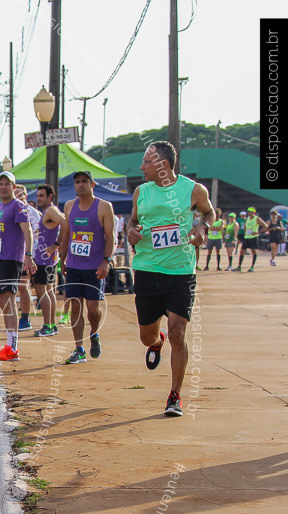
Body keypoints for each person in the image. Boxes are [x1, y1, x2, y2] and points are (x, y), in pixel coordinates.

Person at [127, 141, 214, 417]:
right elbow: (132, 221)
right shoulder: (141, 192)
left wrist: (203, 227)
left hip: (180, 272)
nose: (141, 167)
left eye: (146, 162)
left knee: (178, 330)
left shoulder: (193, 190)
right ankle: (156, 342)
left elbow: (209, 212)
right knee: (146, 336)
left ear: (162, 165)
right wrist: (131, 231)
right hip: (147, 271)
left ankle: (175, 395)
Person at [57, 171, 115, 364]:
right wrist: (62, 259)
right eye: (77, 182)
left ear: (92, 184)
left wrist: (106, 260)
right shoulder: (69, 206)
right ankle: (79, 349)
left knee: (92, 309)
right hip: (74, 265)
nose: (80, 185)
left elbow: (110, 236)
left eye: (84, 182)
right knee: (75, 307)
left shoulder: (104, 207)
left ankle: (94, 333)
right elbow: (66, 234)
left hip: (94, 267)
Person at [0, 172, 36, 361]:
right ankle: (9, 344)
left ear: (14, 187)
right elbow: (0, 235)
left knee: (8, 300)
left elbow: (28, 230)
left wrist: (29, 255)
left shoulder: (18, 206)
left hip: (12, 259)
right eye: (0, 183)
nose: (4, 187)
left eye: (7, 184)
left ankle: (13, 347)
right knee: (2, 301)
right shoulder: (0, 206)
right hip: (1, 258)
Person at [31, 184, 64, 337]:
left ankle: (48, 325)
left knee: (42, 290)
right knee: (49, 291)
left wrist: (57, 244)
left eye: (41, 196)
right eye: (37, 196)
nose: (38, 199)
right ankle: (51, 325)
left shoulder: (51, 210)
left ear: (50, 197)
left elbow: (66, 223)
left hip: (44, 258)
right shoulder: (49, 210)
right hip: (48, 257)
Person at [13, 184, 39, 332]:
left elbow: (34, 235)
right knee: (17, 286)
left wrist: (30, 255)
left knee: (24, 285)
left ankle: (25, 318)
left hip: (27, 255)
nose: (18, 198)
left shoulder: (32, 213)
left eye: (20, 195)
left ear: (26, 196)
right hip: (13, 254)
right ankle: (21, 314)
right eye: (15, 195)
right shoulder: (11, 209)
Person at [234, 207, 266, 272]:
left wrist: (258, 232)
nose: (249, 213)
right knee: (242, 251)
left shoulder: (257, 218)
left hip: (253, 237)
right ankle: (239, 266)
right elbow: (245, 226)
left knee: (253, 251)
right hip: (247, 237)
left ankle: (252, 266)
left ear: (254, 212)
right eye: (248, 211)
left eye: (251, 212)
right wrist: (245, 232)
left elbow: (265, 226)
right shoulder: (247, 218)